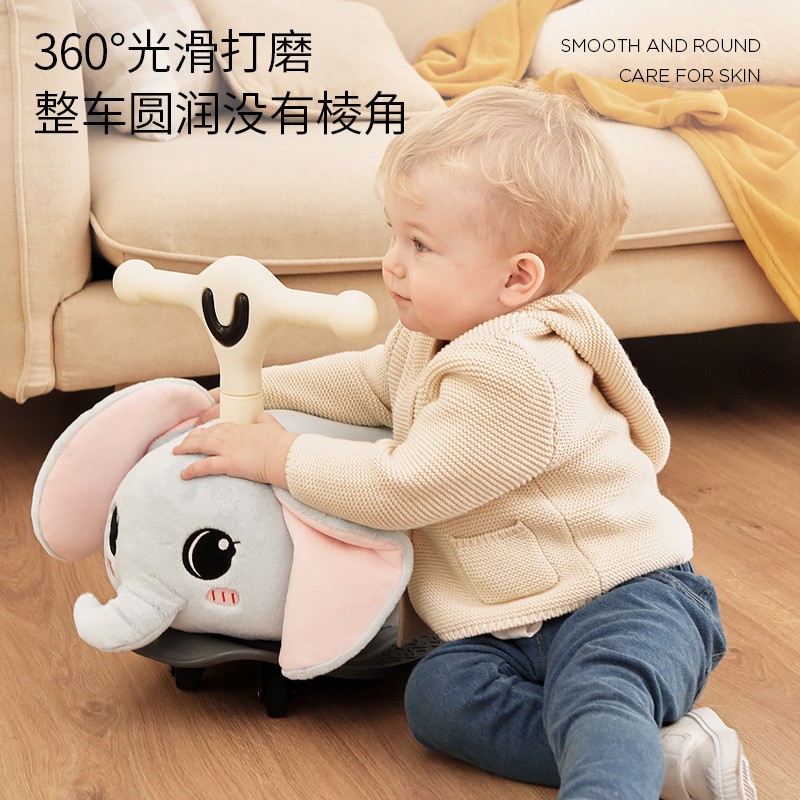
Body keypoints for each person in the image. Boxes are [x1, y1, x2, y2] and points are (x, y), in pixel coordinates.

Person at [173, 83, 757, 800]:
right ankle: (665, 759)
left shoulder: (518, 372)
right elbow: (367, 382)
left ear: (517, 279)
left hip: (629, 601)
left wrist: (278, 456)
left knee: (598, 694)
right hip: (508, 624)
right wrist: (256, 390)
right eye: (393, 233)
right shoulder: (432, 338)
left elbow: (403, 485)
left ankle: (610, 766)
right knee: (439, 698)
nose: (392, 261)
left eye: (420, 244)